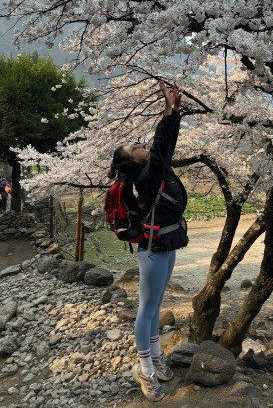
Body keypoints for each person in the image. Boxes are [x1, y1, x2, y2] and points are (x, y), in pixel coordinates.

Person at [108, 81, 187, 402]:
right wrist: (167, 112)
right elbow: (160, 146)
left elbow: (164, 146)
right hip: (152, 251)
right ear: (132, 161)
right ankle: (144, 367)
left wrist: (174, 111)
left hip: (165, 246)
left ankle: (155, 356)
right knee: (147, 307)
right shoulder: (144, 179)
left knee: (156, 305)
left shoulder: (153, 170)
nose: (141, 146)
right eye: (134, 147)